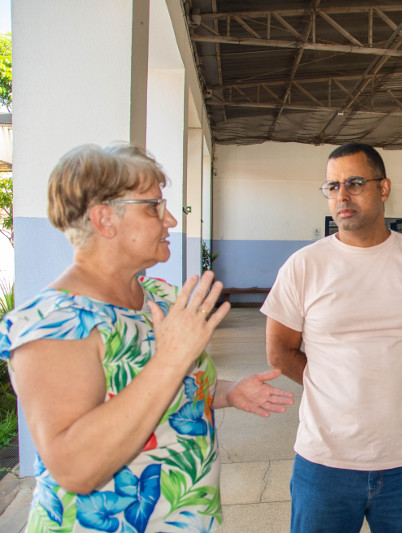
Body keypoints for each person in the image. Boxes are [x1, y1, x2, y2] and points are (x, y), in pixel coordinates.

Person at [0, 144, 294, 532]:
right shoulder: (55, 323)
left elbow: (169, 388)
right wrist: (170, 359)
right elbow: (75, 468)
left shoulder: (157, 297)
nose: (171, 219)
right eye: (154, 206)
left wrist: (227, 391)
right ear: (105, 219)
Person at [262, 143, 402, 532]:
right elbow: (280, 352)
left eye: (355, 183)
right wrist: (335, 387)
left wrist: (401, 383)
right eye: (332, 186)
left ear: (384, 188)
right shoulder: (304, 266)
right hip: (324, 463)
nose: (342, 195)